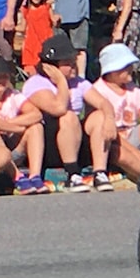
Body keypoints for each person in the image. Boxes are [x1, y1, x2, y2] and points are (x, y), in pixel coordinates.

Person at [21, 34, 117, 191]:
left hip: (75, 142)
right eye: (68, 63)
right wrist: (61, 82)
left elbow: (103, 102)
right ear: (51, 67)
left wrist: (109, 119)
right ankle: (72, 174)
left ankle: (100, 172)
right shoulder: (36, 84)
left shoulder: (80, 83)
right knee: (68, 115)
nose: (74, 66)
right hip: (48, 146)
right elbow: (58, 108)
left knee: (99, 116)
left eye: (74, 61)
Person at [86, 43, 140, 183]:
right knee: (121, 155)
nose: (131, 69)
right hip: (111, 142)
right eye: (125, 67)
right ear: (112, 71)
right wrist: (138, 154)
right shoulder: (98, 91)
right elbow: (99, 128)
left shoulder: (135, 91)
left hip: (131, 136)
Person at [0, 56, 50, 194]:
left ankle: (35, 176)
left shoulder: (13, 95)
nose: (1, 81)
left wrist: (8, 124)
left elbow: (36, 114)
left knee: (36, 126)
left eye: (4, 76)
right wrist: (18, 127)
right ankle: (17, 177)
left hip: (14, 146)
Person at [19, 0, 61, 76]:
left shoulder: (47, 7)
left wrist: (57, 19)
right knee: (31, 73)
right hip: (31, 45)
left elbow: (54, 22)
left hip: (46, 43)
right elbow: (22, 27)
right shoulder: (25, 9)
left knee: (47, 71)